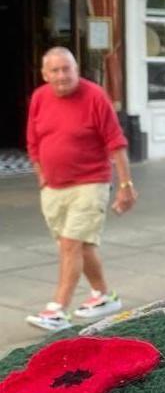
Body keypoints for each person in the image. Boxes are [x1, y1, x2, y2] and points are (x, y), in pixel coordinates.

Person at [25, 47, 137, 331]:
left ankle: (58, 310)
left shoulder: (95, 96)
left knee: (70, 244)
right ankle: (104, 295)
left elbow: (117, 143)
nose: (62, 76)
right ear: (45, 74)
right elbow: (33, 143)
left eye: (67, 69)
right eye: (55, 70)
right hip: (53, 187)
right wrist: (42, 177)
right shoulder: (39, 98)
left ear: (77, 70)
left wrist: (125, 185)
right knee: (81, 246)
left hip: (91, 182)